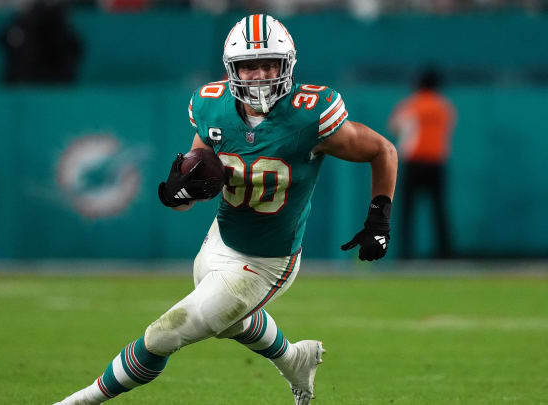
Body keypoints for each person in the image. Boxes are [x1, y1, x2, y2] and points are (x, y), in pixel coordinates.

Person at [53, 14, 397, 405]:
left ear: (287, 65)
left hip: (269, 259)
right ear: (233, 70)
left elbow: (382, 150)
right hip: (220, 239)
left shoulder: (311, 113)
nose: (261, 75)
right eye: (250, 66)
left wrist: (379, 216)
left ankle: (77, 401)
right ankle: (294, 360)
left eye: (269, 64)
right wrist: (178, 193)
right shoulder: (211, 106)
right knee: (229, 321)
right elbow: (197, 180)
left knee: (166, 332)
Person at [389, 67, 455, 259]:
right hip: (437, 162)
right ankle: (446, 253)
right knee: (439, 210)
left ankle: (405, 253)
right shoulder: (444, 107)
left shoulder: (411, 104)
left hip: (414, 162)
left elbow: (394, 126)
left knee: (407, 210)